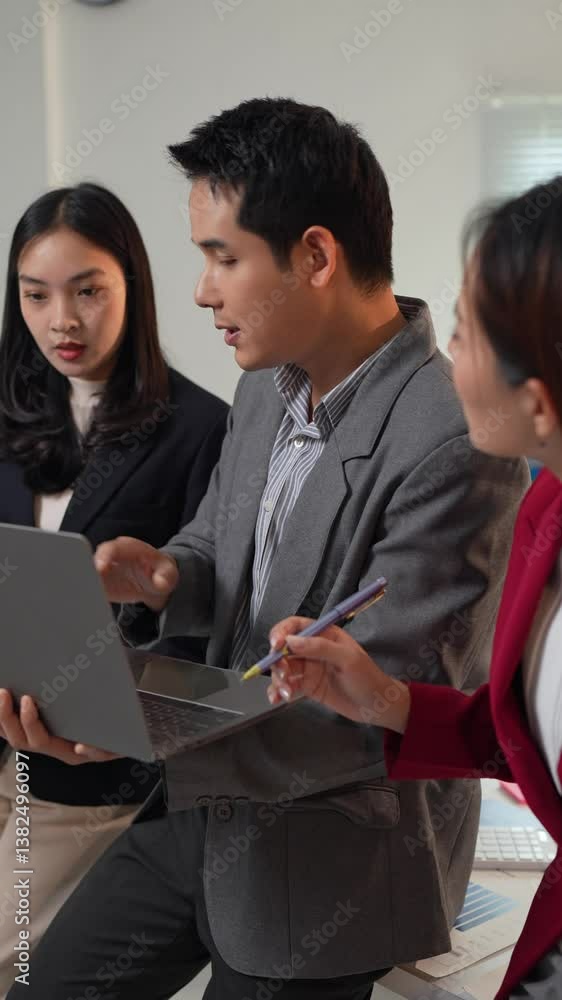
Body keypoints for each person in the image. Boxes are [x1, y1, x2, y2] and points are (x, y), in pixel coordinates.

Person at [4, 100, 528, 1000]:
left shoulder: (452, 438)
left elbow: (384, 711)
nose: (202, 291)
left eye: (223, 257)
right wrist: (168, 576)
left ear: (316, 257)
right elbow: (218, 541)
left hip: (330, 854)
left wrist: (131, 736)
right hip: (200, 815)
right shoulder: (264, 387)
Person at [267, 176, 562, 1000]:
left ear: (538, 403)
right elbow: (522, 732)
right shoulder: (546, 507)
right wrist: (389, 700)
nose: (449, 361)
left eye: (465, 333)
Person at [0, 182, 228, 997]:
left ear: (132, 284)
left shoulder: (200, 429)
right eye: (36, 295)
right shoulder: (8, 415)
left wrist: (123, 715)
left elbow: (202, 635)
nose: (62, 320)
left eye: (88, 291)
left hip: (91, 780)